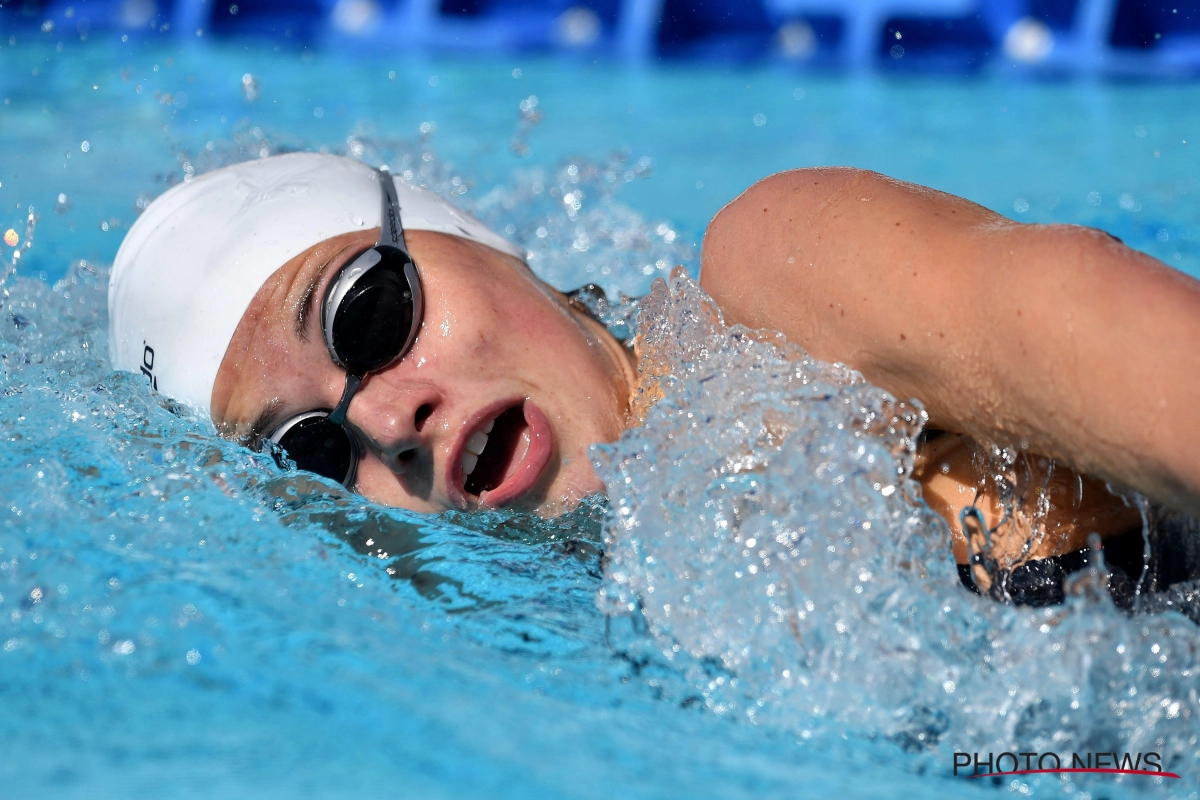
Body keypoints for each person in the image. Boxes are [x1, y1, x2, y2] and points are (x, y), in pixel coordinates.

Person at [109, 153, 1200, 605]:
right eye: (311, 448)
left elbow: (1080, 316)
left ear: (474, 239)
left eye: (369, 313)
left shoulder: (781, 289)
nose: (391, 419)